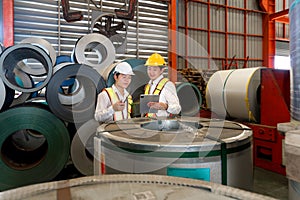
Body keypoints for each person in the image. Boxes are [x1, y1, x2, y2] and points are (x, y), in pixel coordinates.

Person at [143, 53, 181, 118]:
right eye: (149, 68)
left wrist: (165, 106)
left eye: (155, 69)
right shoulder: (148, 86)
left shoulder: (168, 85)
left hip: (162, 125)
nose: (151, 72)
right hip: (149, 123)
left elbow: (177, 108)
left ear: (161, 70)